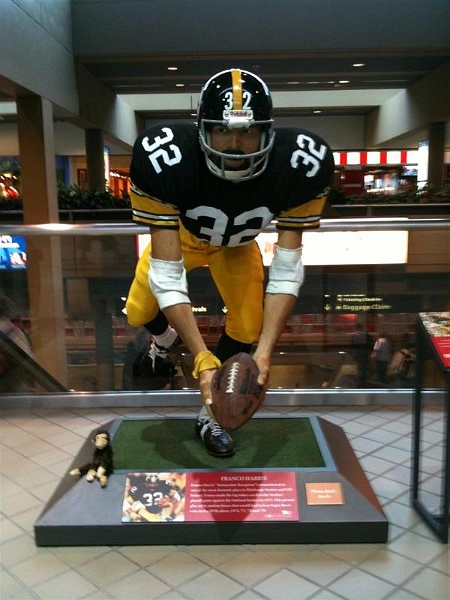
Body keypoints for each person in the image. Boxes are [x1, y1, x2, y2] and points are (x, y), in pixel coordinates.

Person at [125, 68, 334, 458]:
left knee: (250, 326)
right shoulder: (166, 156)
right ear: (202, 130)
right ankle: (165, 341)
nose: (235, 145)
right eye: (222, 130)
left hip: (237, 246)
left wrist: (264, 354)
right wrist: (200, 356)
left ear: (267, 132)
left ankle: (212, 415)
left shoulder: (300, 162)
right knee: (137, 311)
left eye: (247, 131)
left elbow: (287, 269)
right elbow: (167, 276)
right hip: (183, 238)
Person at [351, 322, 372, 387]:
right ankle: (363, 383)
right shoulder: (366, 334)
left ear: (356, 327)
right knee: (364, 369)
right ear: (361, 327)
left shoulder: (354, 335)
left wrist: (353, 354)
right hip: (364, 353)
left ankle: (359, 383)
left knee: (359, 368)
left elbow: (352, 345)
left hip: (357, 354)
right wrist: (369, 353)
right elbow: (370, 344)